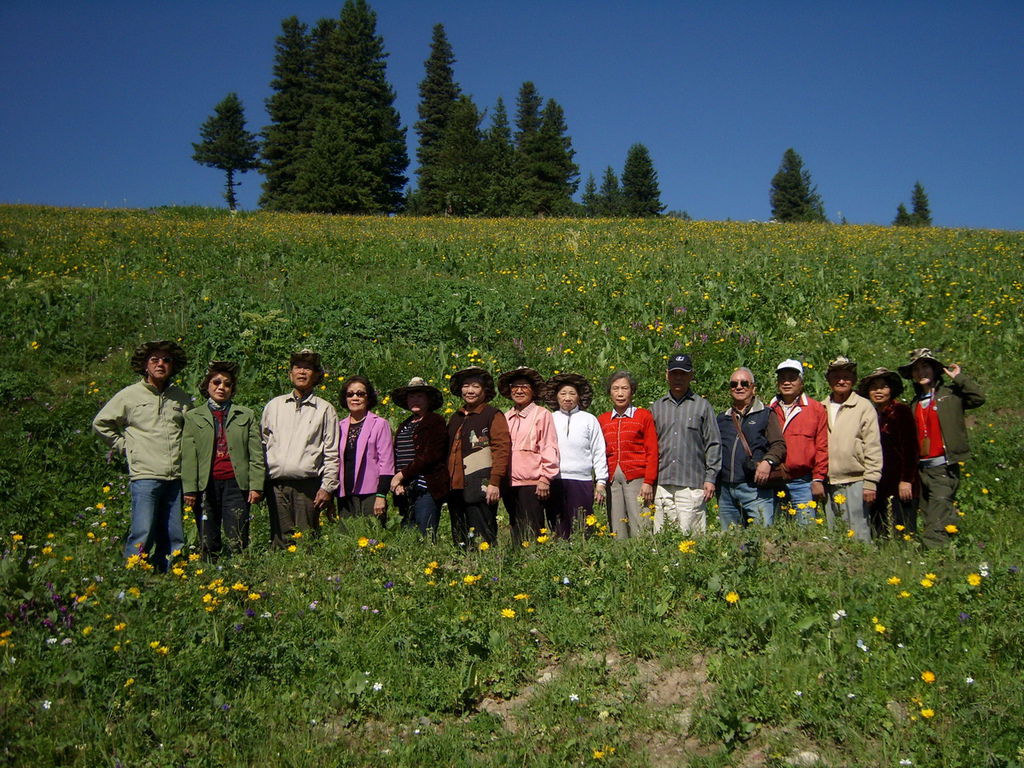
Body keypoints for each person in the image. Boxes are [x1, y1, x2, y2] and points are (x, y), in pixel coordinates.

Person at [92, 340, 191, 571]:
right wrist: (124, 446)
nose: (160, 364)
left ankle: (171, 577)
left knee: (174, 535)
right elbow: (101, 423)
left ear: (172, 366)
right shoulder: (130, 395)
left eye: (166, 360)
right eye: (154, 360)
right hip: (145, 475)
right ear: (145, 365)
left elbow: (191, 431)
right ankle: (133, 576)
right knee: (142, 531)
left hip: (175, 476)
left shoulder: (181, 398)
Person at [898, 348, 985, 548]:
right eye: (916, 369)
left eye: (925, 367)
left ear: (936, 370)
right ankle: (955, 546)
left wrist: (959, 378)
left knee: (938, 512)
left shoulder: (951, 396)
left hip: (943, 467)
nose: (921, 372)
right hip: (922, 468)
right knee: (931, 512)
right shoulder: (914, 403)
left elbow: (978, 398)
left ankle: (934, 554)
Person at [182, 362, 264, 557]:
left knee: (237, 535)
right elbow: (188, 456)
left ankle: (240, 571)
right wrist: (190, 489)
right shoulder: (193, 417)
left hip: (236, 484)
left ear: (232, 389)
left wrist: (256, 485)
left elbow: (256, 454)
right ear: (207, 386)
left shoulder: (246, 414)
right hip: (206, 485)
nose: (221, 387)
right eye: (216, 382)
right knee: (207, 538)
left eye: (227, 384)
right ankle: (210, 573)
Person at [261, 350, 339, 549]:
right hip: (276, 485)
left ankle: (307, 578)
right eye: (298, 367)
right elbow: (263, 444)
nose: (302, 372)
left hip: (308, 486)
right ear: (290, 374)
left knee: (307, 541)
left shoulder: (324, 409)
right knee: (279, 541)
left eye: (308, 368)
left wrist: (327, 487)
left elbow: (331, 452)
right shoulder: (274, 406)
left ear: (316, 375)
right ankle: (279, 578)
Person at [650, 354, 721, 535]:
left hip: (692, 484)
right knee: (663, 535)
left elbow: (713, 443)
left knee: (692, 538)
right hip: (663, 483)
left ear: (691, 375)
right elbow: (649, 447)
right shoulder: (657, 407)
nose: (678, 378)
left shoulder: (702, 406)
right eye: (674, 373)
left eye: (683, 373)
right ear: (667, 375)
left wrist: (710, 477)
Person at [446, 366, 511, 550]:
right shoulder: (456, 417)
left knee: (484, 535)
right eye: (466, 386)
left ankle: (487, 569)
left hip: (481, 483)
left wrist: (495, 481)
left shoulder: (492, 415)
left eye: (475, 386)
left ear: (484, 390)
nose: (470, 391)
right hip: (456, 486)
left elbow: (501, 449)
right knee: (459, 536)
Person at [716, 367, 786, 529]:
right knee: (730, 540)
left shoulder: (766, 414)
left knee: (762, 537)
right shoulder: (722, 418)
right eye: (734, 384)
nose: (738, 387)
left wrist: (767, 462)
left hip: (754, 488)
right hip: (726, 490)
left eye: (744, 383)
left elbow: (778, 444)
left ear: (753, 388)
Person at [822, 356, 882, 542]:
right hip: (828, 481)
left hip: (856, 480)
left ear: (854, 380)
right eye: (836, 376)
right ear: (829, 380)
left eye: (846, 376)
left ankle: (864, 567)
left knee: (859, 533)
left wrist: (871, 481)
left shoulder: (864, 407)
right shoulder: (821, 407)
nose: (841, 381)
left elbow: (872, 446)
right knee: (833, 535)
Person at [498, 367, 560, 546]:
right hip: (510, 483)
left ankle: (535, 564)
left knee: (533, 528)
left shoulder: (542, 414)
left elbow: (549, 446)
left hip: (532, 483)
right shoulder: (506, 417)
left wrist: (545, 478)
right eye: (515, 387)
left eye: (524, 387)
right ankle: (519, 564)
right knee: (515, 526)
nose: (518, 391)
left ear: (532, 390)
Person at [857, 367, 918, 538]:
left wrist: (906, 480)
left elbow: (910, 448)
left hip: (898, 481)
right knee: (879, 528)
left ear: (891, 389)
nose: (878, 391)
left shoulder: (900, 411)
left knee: (903, 528)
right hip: (878, 481)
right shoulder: (869, 414)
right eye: (874, 387)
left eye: (883, 387)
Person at [545, 373, 607, 538]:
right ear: (556, 396)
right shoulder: (550, 419)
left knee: (581, 526)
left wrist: (600, 482)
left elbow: (599, 451)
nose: (567, 398)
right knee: (557, 526)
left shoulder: (589, 420)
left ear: (579, 396)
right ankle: (560, 558)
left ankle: (583, 556)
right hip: (555, 480)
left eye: (572, 393)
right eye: (563, 393)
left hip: (582, 481)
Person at [598, 370, 659, 539]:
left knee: (640, 523)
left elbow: (652, 451)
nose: (620, 393)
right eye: (615, 388)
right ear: (609, 392)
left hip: (637, 478)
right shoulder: (603, 420)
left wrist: (648, 481)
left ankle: (643, 560)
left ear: (632, 391)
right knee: (616, 526)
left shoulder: (643, 416)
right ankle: (620, 561)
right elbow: (598, 453)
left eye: (624, 388)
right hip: (612, 481)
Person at [768, 359, 829, 524]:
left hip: (803, 482)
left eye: (792, 378)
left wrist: (818, 479)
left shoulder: (815, 409)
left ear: (801, 382)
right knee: (774, 532)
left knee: (805, 532)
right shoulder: (768, 409)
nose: (787, 382)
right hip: (774, 481)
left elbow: (822, 447)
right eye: (782, 378)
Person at [389, 377, 449, 539]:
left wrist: (401, 475)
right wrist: (399, 481)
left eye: (419, 396)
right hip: (405, 489)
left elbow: (431, 455)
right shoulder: (405, 424)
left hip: (426, 487)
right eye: (411, 396)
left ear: (428, 400)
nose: (415, 400)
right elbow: (398, 454)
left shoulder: (435, 421)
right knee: (407, 533)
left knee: (425, 533)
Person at [337, 375, 394, 525]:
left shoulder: (380, 424)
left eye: (360, 394)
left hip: (370, 494)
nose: (355, 398)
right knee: (347, 541)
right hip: (345, 495)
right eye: (350, 394)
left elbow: (386, 463)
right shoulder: (339, 426)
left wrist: (381, 495)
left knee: (371, 539)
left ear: (368, 398)